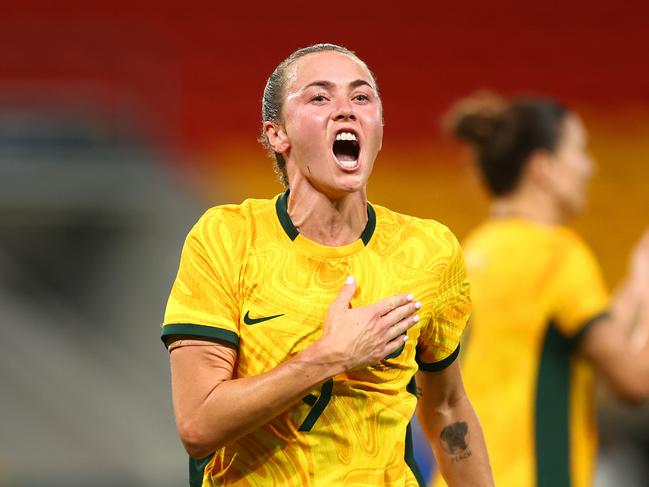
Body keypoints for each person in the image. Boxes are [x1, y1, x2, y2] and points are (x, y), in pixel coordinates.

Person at [160, 44, 494, 487]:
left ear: (378, 126)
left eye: (361, 98)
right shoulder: (226, 237)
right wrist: (329, 356)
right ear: (277, 134)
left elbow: (448, 407)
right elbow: (198, 426)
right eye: (319, 98)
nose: (346, 112)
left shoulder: (428, 249)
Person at [433, 92, 649, 487]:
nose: (590, 166)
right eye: (579, 151)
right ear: (543, 168)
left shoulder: (472, 251)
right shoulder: (557, 254)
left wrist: (637, 282)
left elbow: (578, 341)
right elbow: (633, 380)